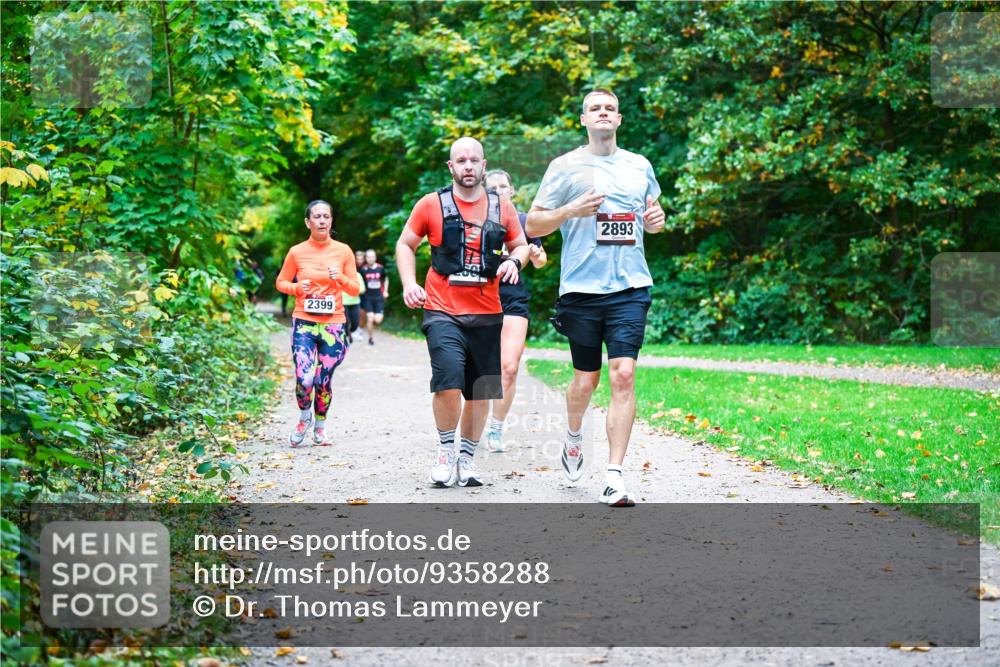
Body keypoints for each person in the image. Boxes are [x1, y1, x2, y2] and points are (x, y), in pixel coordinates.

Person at [526, 89, 666, 507]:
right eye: (594, 109)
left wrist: (656, 222)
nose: (602, 114)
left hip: (630, 286)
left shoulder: (639, 165)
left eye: (609, 108)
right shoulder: (564, 166)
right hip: (581, 290)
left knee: (623, 374)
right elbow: (534, 221)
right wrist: (570, 211)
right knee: (585, 380)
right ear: (583, 120)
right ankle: (573, 438)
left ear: (619, 119)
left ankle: (614, 476)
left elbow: (653, 217)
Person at [396, 137, 531, 488]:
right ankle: (445, 451)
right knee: (448, 379)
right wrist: (410, 283)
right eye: (461, 160)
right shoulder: (431, 205)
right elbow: (405, 244)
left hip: (487, 311)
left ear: (483, 165)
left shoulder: (502, 207)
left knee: (481, 390)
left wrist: (515, 260)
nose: (468, 166)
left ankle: (468, 458)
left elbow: (521, 244)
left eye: (474, 160)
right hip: (442, 308)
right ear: (451, 167)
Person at [276, 200, 360, 447]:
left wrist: (341, 278)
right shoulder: (297, 251)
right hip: (304, 322)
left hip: (333, 325)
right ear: (308, 222)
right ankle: (304, 418)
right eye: (317, 216)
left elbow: (355, 288)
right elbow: (280, 282)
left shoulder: (344, 251)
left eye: (326, 216)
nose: (322, 220)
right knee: (304, 377)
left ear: (331, 221)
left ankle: (320, 427)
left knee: (323, 380)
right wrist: (296, 288)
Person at [481, 169, 547, 453]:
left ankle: (496, 428)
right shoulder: (474, 221)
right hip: (479, 299)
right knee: (480, 370)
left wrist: (535, 256)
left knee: (508, 367)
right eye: (492, 186)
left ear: (513, 190)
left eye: (503, 186)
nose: (498, 190)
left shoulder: (523, 222)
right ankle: (473, 423)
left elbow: (541, 260)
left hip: (513, 300)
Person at [359, 249, 388, 345]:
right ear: (366, 258)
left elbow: (386, 279)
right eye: (368, 257)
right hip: (368, 298)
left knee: (378, 320)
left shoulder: (380, 268)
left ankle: (373, 323)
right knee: (370, 318)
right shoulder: (363, 270)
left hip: (379, 297)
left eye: (372, 257)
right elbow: (359, 282)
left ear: (375, 257)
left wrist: (386, 291)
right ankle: (370, 338)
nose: (371, 259)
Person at [342, 251, 366, 346]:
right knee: (346, 322)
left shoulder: (357, 275)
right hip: (343, 302)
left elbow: (363, 289)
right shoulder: (341, 275)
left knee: (355, 323)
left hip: (355, 302)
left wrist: (352, 290)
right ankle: (347, 337)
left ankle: (351, 332)